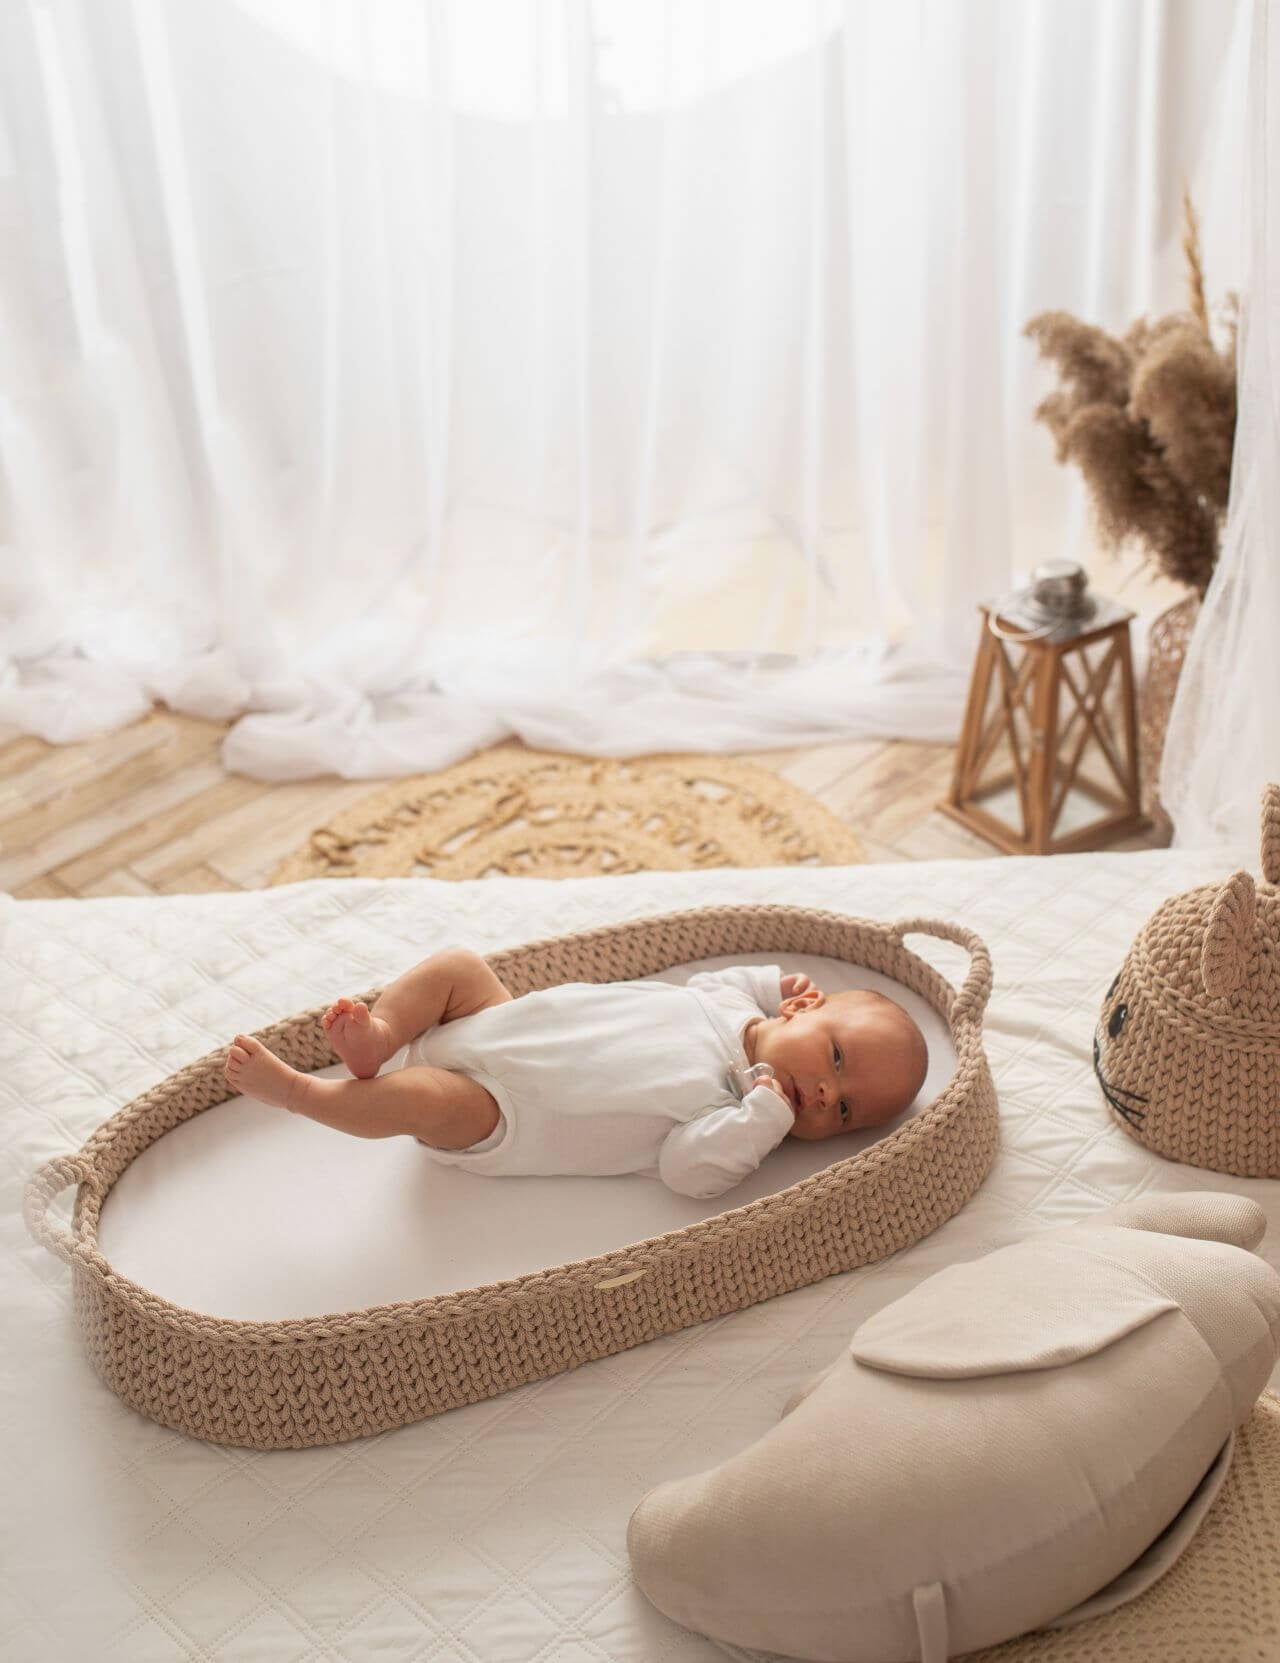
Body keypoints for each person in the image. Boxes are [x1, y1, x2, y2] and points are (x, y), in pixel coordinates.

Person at [222, 946, 929, 1199]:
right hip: (493, 1022)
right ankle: (378, 1036)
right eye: (837, 1059)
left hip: (503, 1110)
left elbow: (688, 1172)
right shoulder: (729, 999)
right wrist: (773, 982)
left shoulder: (737, 1113)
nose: (829, 1093)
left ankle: (304, 1093)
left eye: (844, 1112)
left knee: (418, 1099)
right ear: (804, 1006)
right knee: (457, 967)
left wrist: (764, 1117)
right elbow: (734, 974)